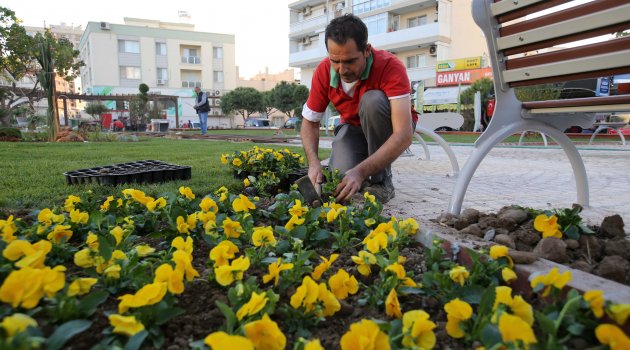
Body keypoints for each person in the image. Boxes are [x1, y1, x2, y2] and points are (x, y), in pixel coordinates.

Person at [301, 14, 417, 204]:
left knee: (372, 101)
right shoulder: (323, 71)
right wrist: (313, 164)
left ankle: (381, 182)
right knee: (341, 178)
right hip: (353, 128)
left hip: (389, 125)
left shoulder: (390, 66)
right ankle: (362, 183)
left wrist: (360, 171)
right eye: (335, 61)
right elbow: (310, 122)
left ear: (366, 51)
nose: (342, 70)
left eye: (350, 61)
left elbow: (403, 135)